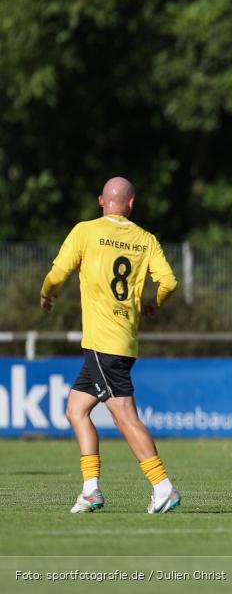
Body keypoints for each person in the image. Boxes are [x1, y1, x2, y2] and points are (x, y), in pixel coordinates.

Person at [40, 177, 182, 514]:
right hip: (122, 341)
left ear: (101, 201)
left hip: (103, 343)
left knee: (125, 418)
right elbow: (169, 282)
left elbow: (57, 274)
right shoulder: (146, 239)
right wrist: (155, 303)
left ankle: (163, 487)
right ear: (131, 203)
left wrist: (46, 292)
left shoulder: (85, 231)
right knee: (76, 410)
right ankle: (91, 490)